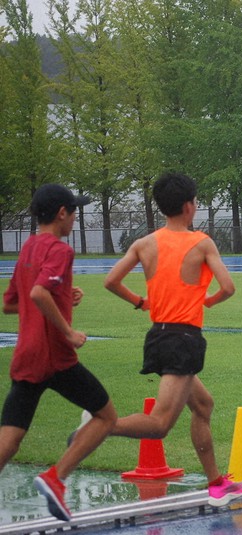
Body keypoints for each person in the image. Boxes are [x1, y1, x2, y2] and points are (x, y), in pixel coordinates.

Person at [102, 172, 242, 507]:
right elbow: (228, 288)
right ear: (189, 206)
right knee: (159, 424)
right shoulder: (202, 243)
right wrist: (208, 301)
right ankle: (101, 426)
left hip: (159, 334)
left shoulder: (144, 243)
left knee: (203, 404)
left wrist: (140, 302)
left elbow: (111, 281)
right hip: (183, 338)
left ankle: (216, 484)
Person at [0, 184, 118, 521]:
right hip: (55, 357)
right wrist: (68, 331)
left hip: (26, 355)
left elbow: (11, 304)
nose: (76, 216)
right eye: (74, 210)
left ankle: (55, 479)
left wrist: (63, 296)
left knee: (9, 441)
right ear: (62, 214)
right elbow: (38, 293)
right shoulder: (60, 250)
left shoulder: (28, 249)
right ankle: (55, 478)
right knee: (106, 417)